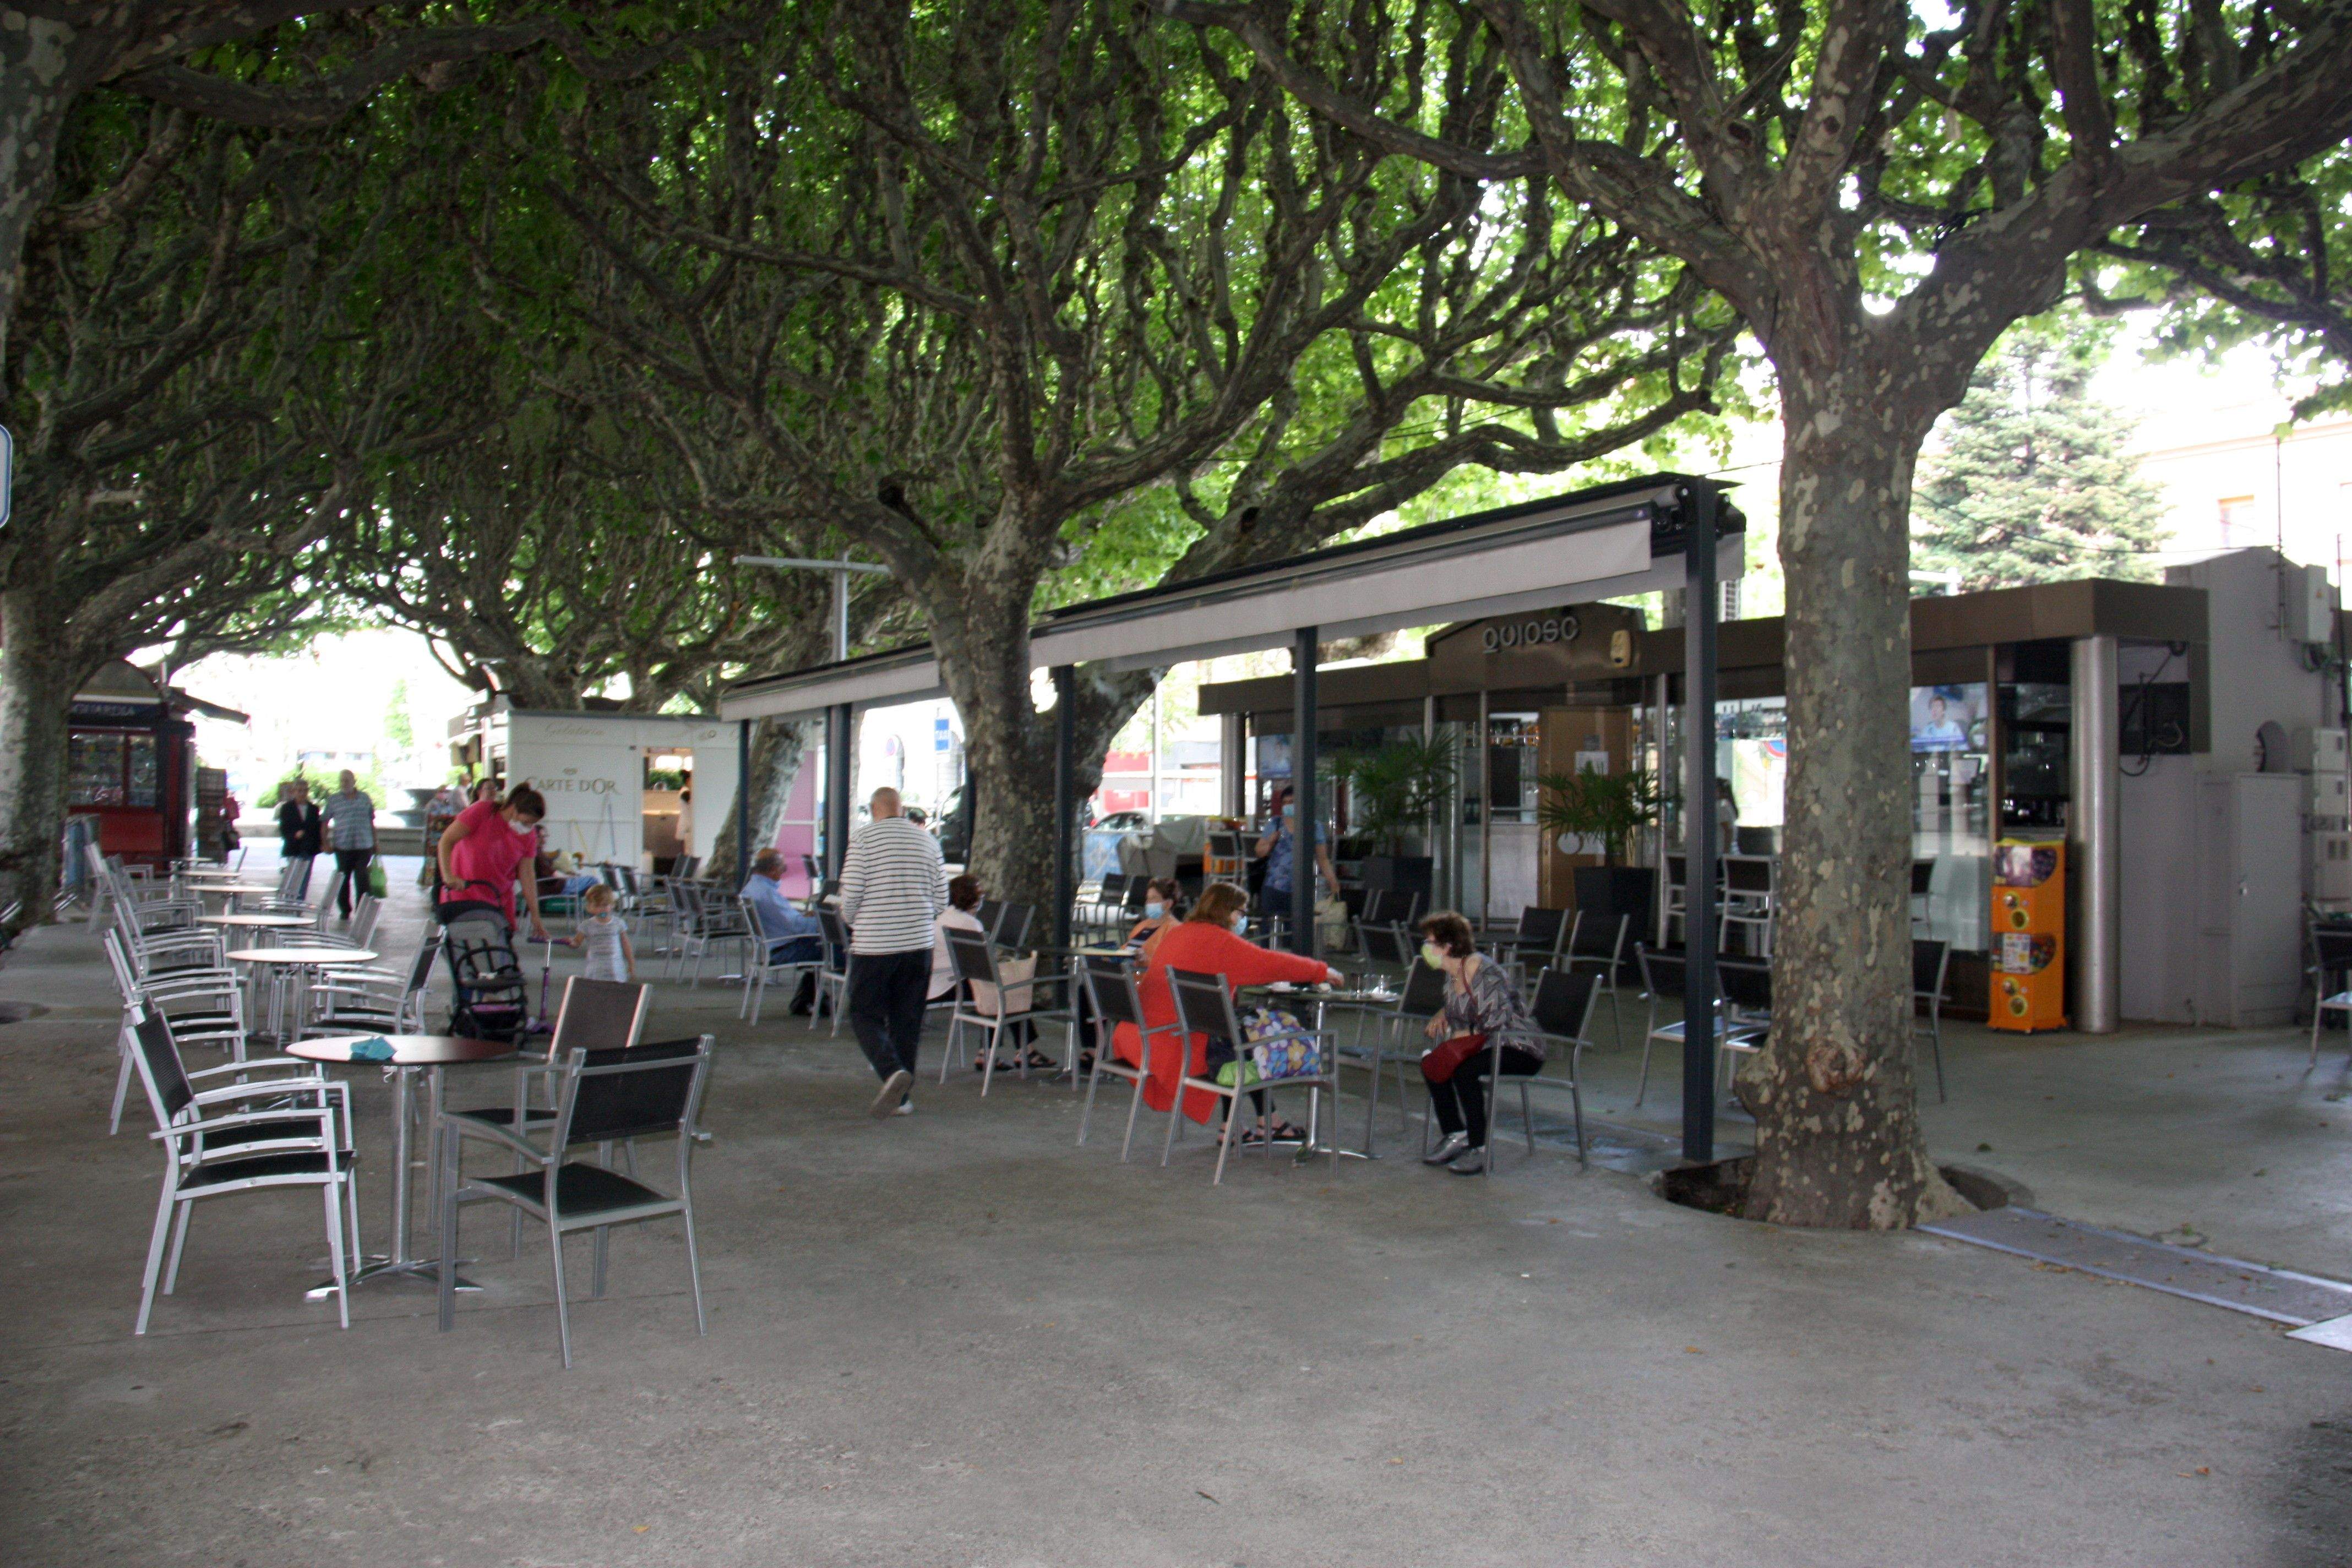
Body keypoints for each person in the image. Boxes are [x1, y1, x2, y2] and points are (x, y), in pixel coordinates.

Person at [1113, 880, 1343, 1146]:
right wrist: (1320, 971)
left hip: (1142, 1034)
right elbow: (1268, 963)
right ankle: (1258, 1123)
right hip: (1176, 1042)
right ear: (1226, 911)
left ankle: (1250, 1123)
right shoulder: (1221, 941)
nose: (1242, 919)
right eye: (1241, 913)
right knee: (1253, 1038)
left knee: (1235, 1034)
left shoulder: (1179, 934)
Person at [839, 786, 949, 1118]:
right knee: (907, 1019)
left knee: (863, 1013)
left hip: (875, 945)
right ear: (901, 809)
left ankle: (890, 1072)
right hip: (918, 945)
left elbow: (852, 892)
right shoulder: (928, 841)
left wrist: (854, 920)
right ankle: (902, 1099)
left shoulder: (864, 839)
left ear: (874, 809)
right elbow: (941, 899)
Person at [1415, 910, 1546, 1175]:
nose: (1425, 948)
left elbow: (1500, 1016)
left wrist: (1470, 1030)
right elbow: (1460, 1011)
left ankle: (1480, 1147)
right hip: (1487, 1044)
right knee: (1433, 1064)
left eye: (1429, 942)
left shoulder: (1480, 968)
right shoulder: (1451, 976)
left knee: (1465, 1072)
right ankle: (1455, 1133)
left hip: (1517, 1045)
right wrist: (1444, 1014)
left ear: (1447, 946)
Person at [435, 782, 551, 943]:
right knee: (467, 952)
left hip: (499, 900)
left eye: (533, 823)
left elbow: (527, 876)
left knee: (499, 954)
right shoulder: (483, 811)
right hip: (464, 894)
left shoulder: (529, 835)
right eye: (526, 822)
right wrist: (448, 876)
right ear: (514, 808)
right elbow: (446, 841)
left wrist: (535, 915)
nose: (529, 827)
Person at [740, 847, 826, 1012]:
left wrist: (806, 917)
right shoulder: (767, 894)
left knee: (826, 946)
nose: (784, 871)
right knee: (841, 950)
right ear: (773, 870)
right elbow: (798, 927)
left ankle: (809, 999)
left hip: (771, 947)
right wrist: (824, 920)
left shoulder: (754, 888)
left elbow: (789, 921)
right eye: (783, 867)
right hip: (784, 949)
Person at [1253, 784, 1341, 914]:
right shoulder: (1275, 824)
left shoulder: (1314, 827)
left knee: (1296, 929)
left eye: (1292, 802)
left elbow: (1323, 859)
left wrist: (1332, 880)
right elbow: (1259, 852)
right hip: (1273, 886)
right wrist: (1271, 842)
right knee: (1270, 927)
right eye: (1285, 803)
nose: (1288, 806)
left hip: (1301, 889)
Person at [320, 769, 377, 919]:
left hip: (364, 845)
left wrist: (375, 842)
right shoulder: (334, 800)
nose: (344, 783)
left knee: (362, 877)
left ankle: (363, 910)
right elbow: (325, 822)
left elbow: (371, 820)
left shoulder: (365, 798)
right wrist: (325, 842)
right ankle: (345, 909)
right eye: (342, 780)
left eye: (347, 780)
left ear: (354, 781)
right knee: (344, 879)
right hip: (342, 846)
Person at [564, 883, 635, 982]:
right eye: (597, 906)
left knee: (616, 988)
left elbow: (626, 944)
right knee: (596, 987)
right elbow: (577, 942)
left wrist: (631, 963)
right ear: (590, 907)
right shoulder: (587, 925)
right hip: (596, 965)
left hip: (615, 965)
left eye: (605, 905)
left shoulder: (618, 923)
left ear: (612, 905)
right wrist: (571, 942)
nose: (602, 909)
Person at [274, 778, 321, 897]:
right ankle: (289, 903)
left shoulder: (314, 809)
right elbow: (284, 829)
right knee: (292, 878)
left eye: (305, 791)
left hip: (309, 848)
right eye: (299, 791)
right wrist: (294, 835)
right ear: (294, 792)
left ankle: (299, 904)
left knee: (305, 879)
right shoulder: (287, 808)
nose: (302, 793)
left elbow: (317, 829)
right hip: (293, 848)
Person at [1124, 876, 1185, 961]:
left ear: (1168, 904)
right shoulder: (1142, 926)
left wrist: (1146, 959)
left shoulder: (1176, 931)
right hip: (1132, 972)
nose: (1148, 903)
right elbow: (1126, 949)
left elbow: (1169, 963)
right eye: (1148, 898)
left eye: (1153, 898)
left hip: (1146, 973)